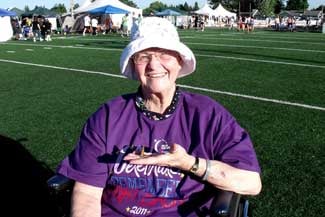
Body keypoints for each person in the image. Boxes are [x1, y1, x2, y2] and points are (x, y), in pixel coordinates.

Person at [57, 17, 262, 217]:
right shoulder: (108, 116)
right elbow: (87, 193)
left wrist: (188, 163)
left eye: (164, 54)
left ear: (179, 61)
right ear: (133, 65)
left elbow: (251, 183)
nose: (154, 65)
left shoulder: (208, 114)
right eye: (144, 56)